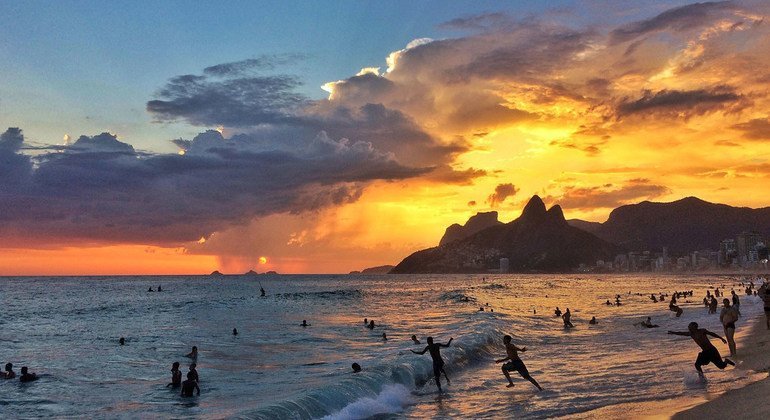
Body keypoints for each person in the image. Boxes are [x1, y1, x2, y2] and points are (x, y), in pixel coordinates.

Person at [668, 322, 734, 377]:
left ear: (694, 327)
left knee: (721, 366)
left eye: (689, 326)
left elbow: (711, 333)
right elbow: (681, 333)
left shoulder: (702, 331)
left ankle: (726, 361)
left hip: (712, 350)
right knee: (697, 364)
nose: (688, 327)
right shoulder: (691, 334)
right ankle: (702, 378)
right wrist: (673, 332)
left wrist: (721, 338)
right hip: (705, 352)